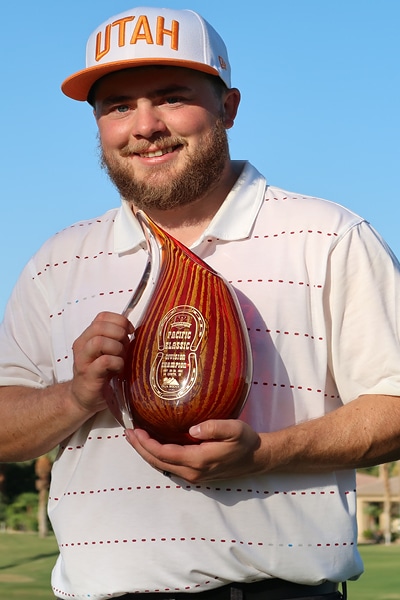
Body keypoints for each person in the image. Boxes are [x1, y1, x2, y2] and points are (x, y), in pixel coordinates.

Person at [1, 5, 400, 599]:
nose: (145, 125)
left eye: (171, 96)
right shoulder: (58, 260)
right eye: (118, 106)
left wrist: (265, 454)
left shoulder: (328, 236)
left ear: (229, 107)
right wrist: (76, 395)